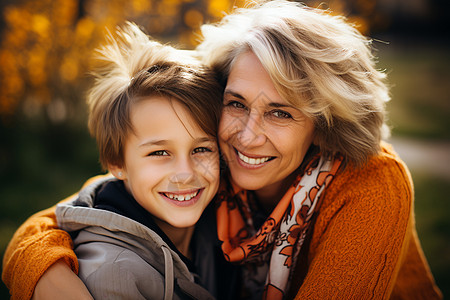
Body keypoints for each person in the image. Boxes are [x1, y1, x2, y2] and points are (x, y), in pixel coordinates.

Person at [2, 1, 442, 299]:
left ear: (324, 125)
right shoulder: (213, 160)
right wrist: (45, 273)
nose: (248, 136)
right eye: (237, 103)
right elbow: (70, 215)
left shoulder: (370, 183)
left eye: (281, 113)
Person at [2, 22, 239, 299]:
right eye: (159, 153)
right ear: (117, 164)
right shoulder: (112, 278)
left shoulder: (223, 217)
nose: (185, 174)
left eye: (201, 149)